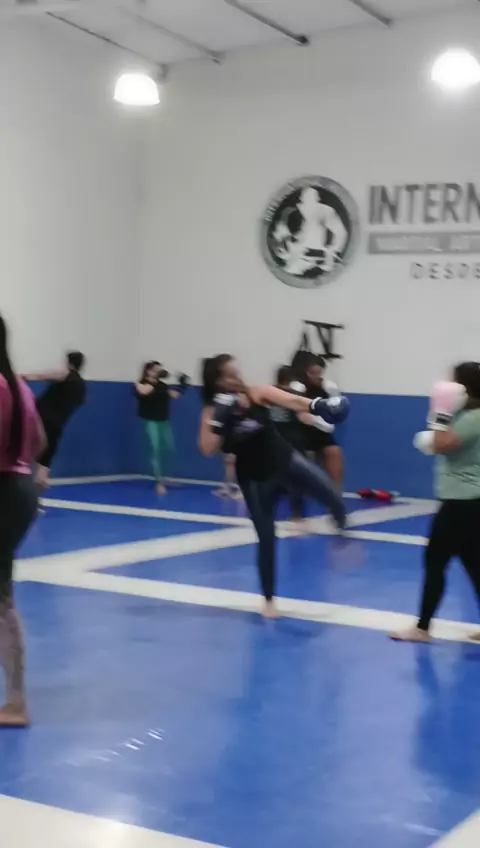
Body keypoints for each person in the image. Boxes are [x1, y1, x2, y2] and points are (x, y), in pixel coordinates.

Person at [199, 354, 349, 618]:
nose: (236, 378)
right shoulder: (212, 411)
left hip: (285, 460)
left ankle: (343, 533)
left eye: (236, 372)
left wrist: (318, 404)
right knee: (267, 537)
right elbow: (207, 448)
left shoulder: (255, 393)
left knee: (329, 493)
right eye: (229, 375)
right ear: (216, 381)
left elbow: (289, 400)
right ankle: (268, 601)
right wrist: (220, 423)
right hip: (255, 477)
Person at [392, 363, 480, 643]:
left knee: (435, 561)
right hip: (469, 501)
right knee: (473, 564)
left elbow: (441, 444)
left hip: (462, 502)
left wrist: (440, 412)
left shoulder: (473, 418)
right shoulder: (467, 415)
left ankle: (422, 628)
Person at [0, 316, 45, 726]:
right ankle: (15, 700)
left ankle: (16, 702)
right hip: (19, 488)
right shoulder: (18, 386)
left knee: (2, 601)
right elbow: (39, 442)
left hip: (3, 493)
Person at [24, 351, 86, 492]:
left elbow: (43, 376)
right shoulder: (82, 386)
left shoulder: (67, 374)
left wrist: (24, 377)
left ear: (69, 362)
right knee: (47, 454)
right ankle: (39, 484)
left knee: (26, 447)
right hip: (58, 424)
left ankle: (19, 481)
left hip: (41, 418)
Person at [300, 355, 345, 490]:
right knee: (306, 455)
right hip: (302, 431)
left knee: (334, 452)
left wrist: (318, 421)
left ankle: (336, 493)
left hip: (321, 430)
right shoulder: (300, 387)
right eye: (312, 372)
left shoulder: (328, 388)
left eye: (318, 373)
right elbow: (299, 414)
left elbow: (334, 414)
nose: (315, 376)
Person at [135, 361, 179, 494]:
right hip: (150, 421)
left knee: (168, 448)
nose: (160, 372)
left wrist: (183, 385)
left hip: (163, 421)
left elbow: (174, 395)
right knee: (155, 448)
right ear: (148, 371)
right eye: (156, 369)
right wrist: (153, 381)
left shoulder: (162, 385)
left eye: (160, 370)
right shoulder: (141, 383)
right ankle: (158, 482)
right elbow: (144, 391)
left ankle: (165, 478)